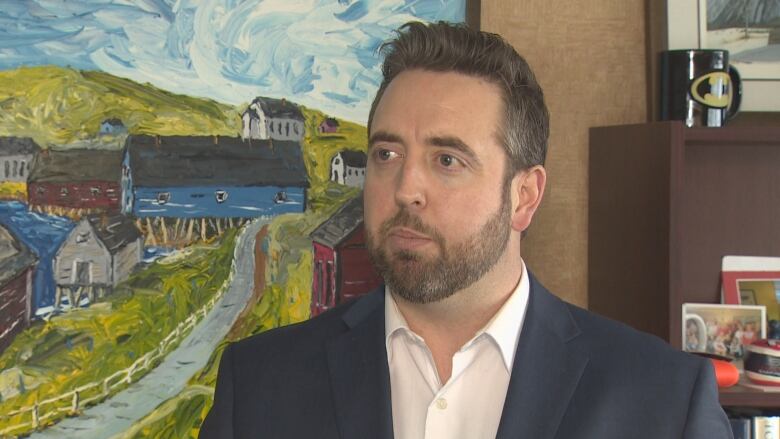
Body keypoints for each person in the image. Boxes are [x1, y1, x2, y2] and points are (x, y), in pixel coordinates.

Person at [200, 21, 732, 439]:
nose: (406, 187)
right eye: (386, 154)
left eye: (447, 160)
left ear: (524, 196)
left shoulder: (662, 401)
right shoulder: (261, 386)